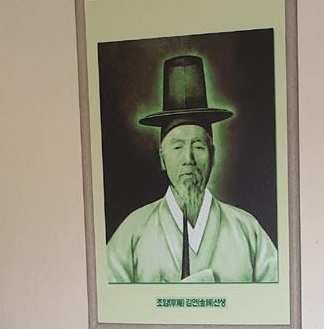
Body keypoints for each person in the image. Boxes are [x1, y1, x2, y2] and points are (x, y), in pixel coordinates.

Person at [106, 54, 278, 284]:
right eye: (177, 147)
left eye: (198, 146)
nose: (188, 159)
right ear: (162, 158)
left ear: (213, 156)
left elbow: (276, 296)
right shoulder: (132, 232)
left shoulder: (247, 230)